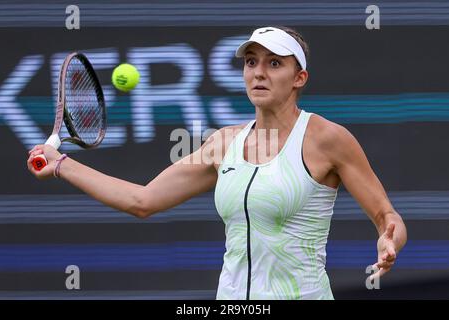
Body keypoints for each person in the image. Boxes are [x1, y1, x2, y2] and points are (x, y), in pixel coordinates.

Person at [27, 26, 407, 300]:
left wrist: (389, 240)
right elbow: (142, 201)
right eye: (251, 62)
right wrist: (62, 164)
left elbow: (387, 217)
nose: (258, 72)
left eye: (274, 63)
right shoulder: (223, 142)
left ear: (299, 78)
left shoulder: (327, 139)